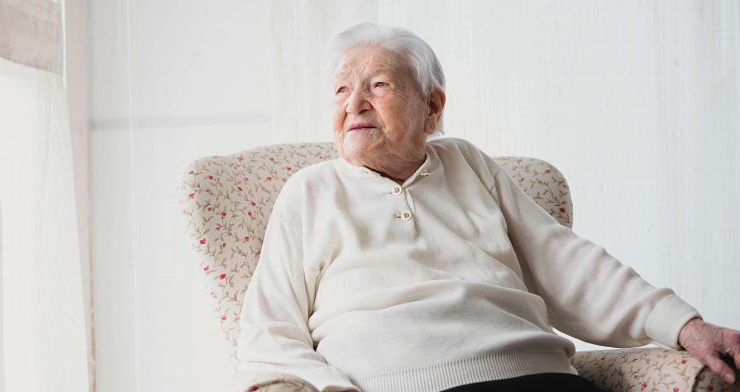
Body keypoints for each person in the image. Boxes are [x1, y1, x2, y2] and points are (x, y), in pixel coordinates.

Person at [234, 22, 740, 392]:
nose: (354, 103)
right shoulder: (309, 192)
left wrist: (683, 324)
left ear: (432, 107)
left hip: (538, 378)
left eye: (378, 85)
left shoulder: (468, 164)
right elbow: (267, 330)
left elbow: (568, 264)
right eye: (342, 88)